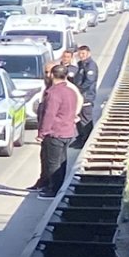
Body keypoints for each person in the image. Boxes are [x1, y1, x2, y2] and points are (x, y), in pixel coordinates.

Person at [35, 65, 79, 200]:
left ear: (52, 75)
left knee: (53, 162)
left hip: (55, 132)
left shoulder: (53, 93)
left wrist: (42, 133)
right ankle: (59, 188)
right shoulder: (71, 91)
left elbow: (49, 114)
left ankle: (53, 190)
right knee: (62, 161)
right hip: (68, 131)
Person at [73, 45, 99, 147]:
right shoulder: (80, 64)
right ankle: (80, 138)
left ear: (88, 53)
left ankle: (87, 140)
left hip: (86, 96)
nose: (81, 55)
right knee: (78, 118)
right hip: (79, 96)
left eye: (83, 53)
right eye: (80, 54)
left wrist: (78, 90)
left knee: (85, 119)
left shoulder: (90, 65)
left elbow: (89, 81)